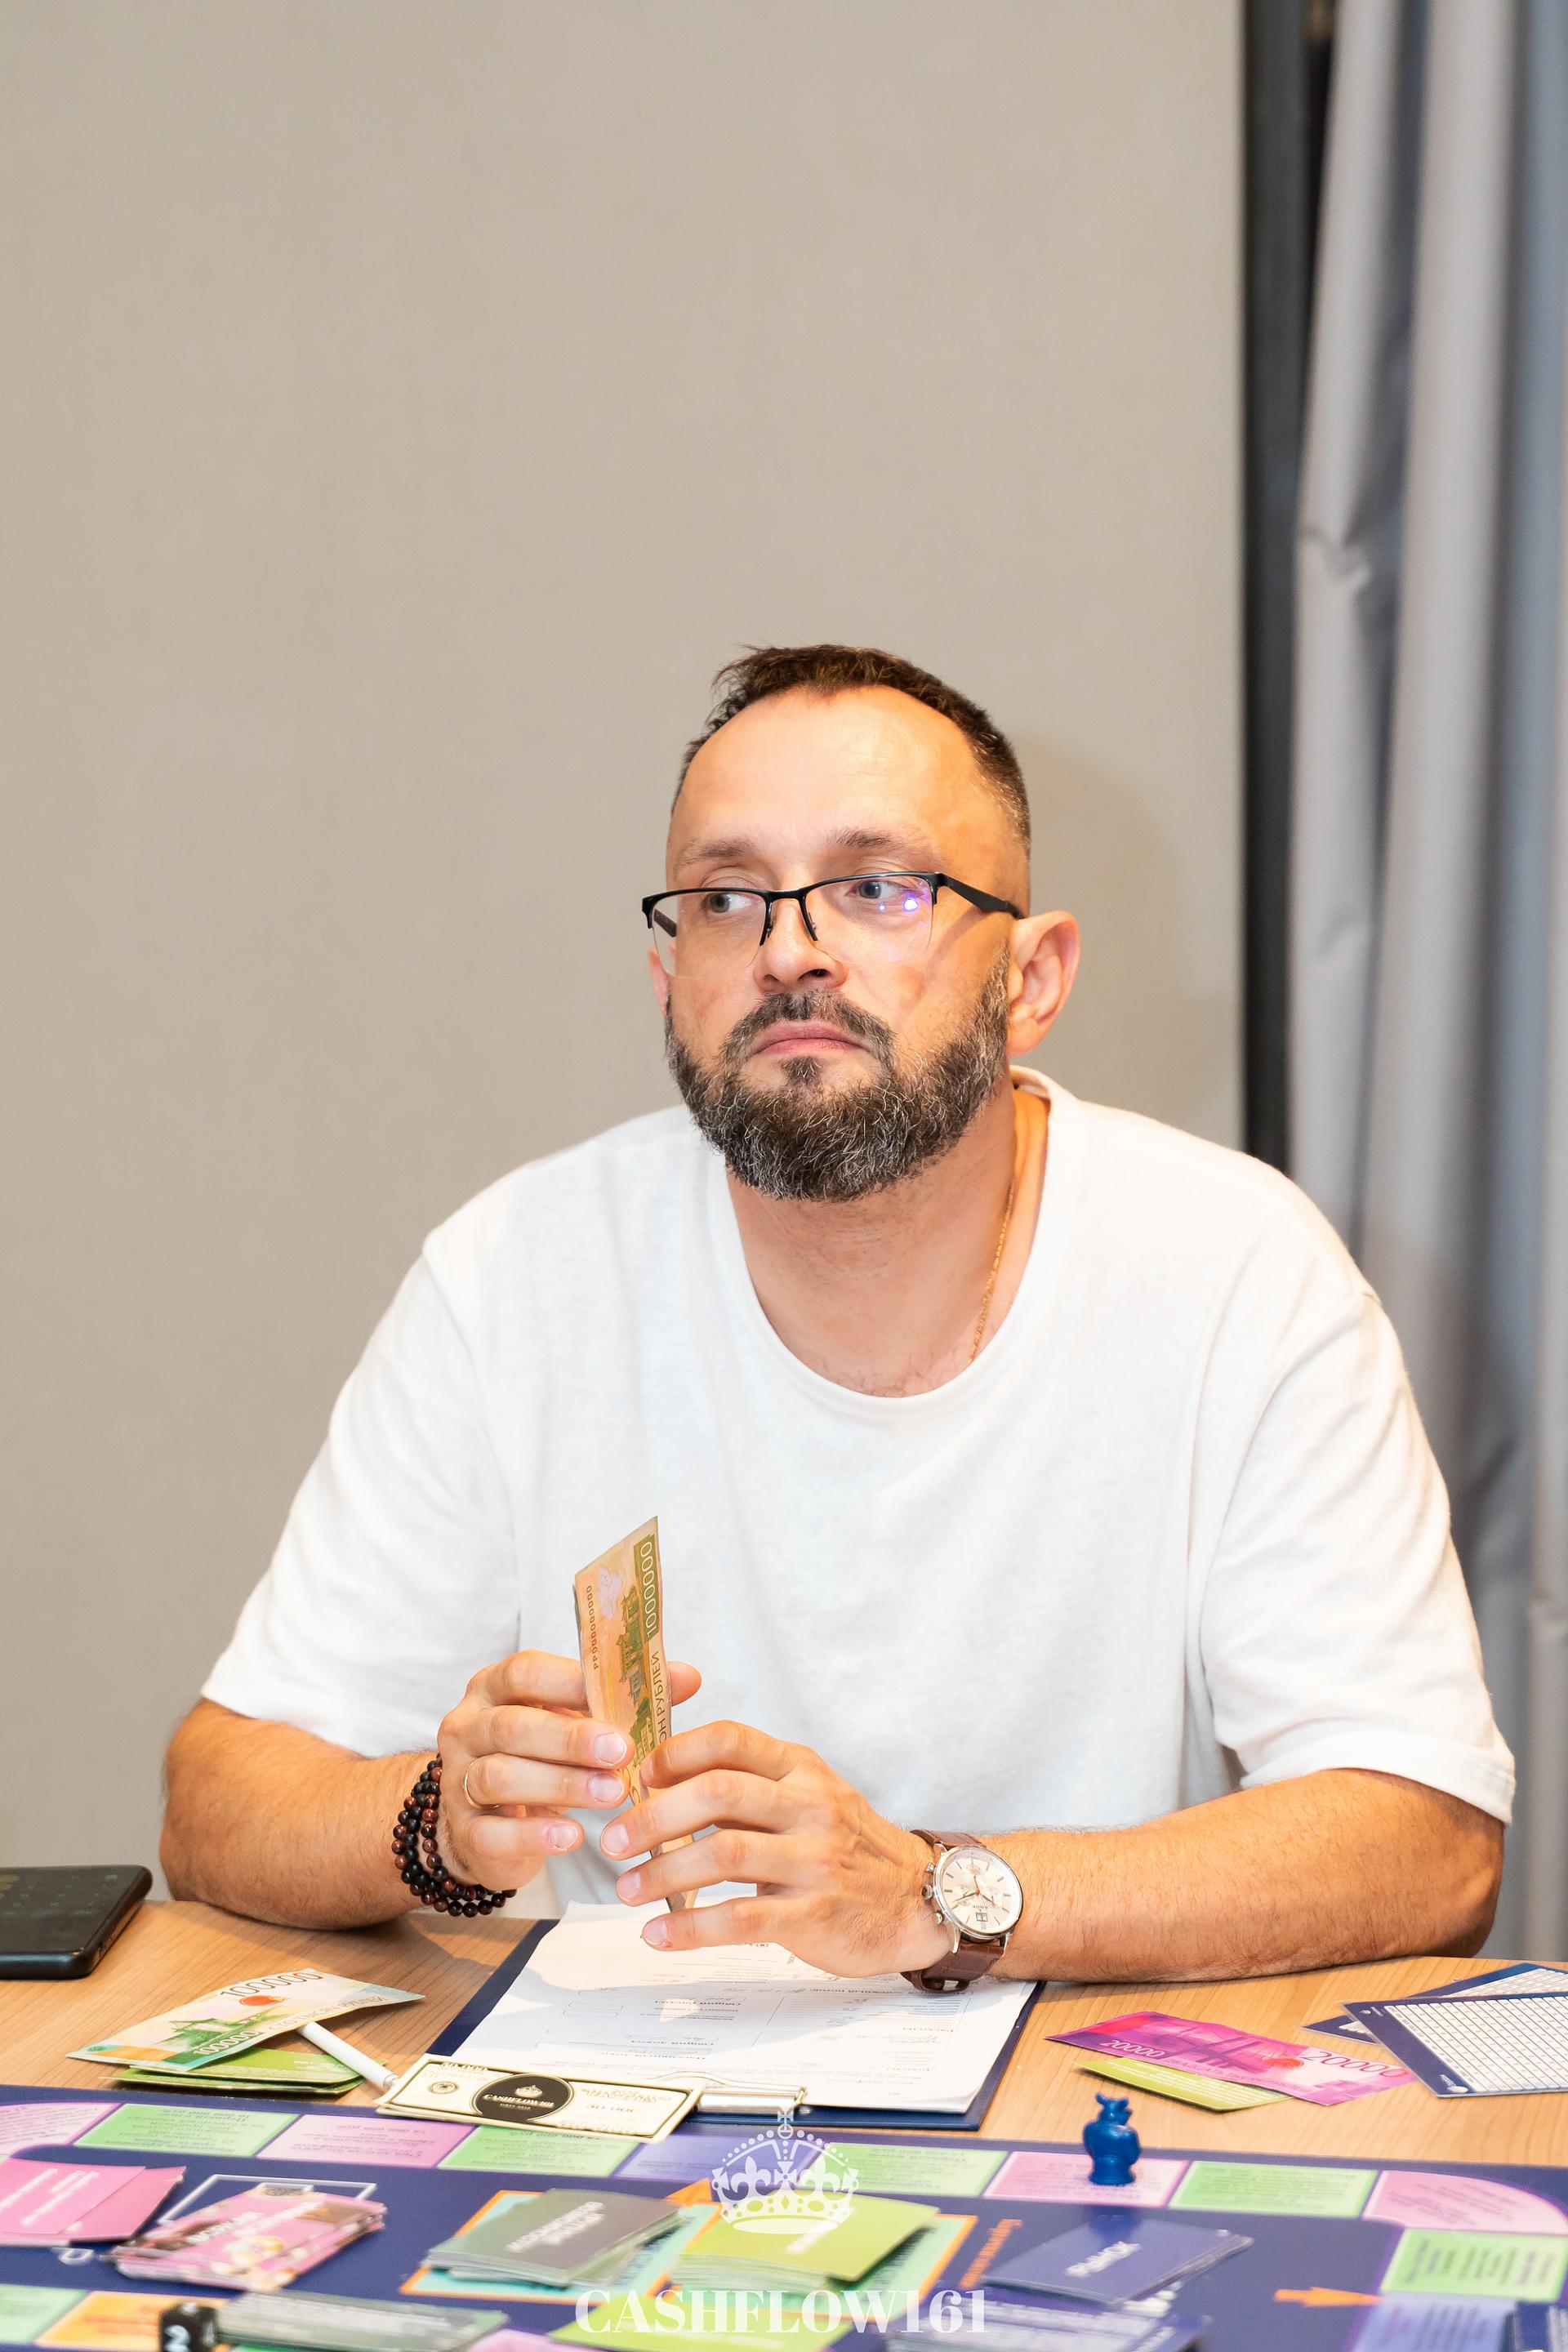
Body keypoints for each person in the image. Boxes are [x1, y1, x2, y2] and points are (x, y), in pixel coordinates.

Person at [162, 643, 1512, 1985]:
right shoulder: (518, 1271)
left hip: (1072, 2070)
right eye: (727, 899)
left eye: (877, 888)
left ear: (1032, 980)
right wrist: (434, 1824)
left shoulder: (1237, 1271)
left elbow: (1428, 1841)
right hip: (639, 2088)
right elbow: (219, 1801)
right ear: (668, 984)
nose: (789, 952)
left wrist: (937, 1897)